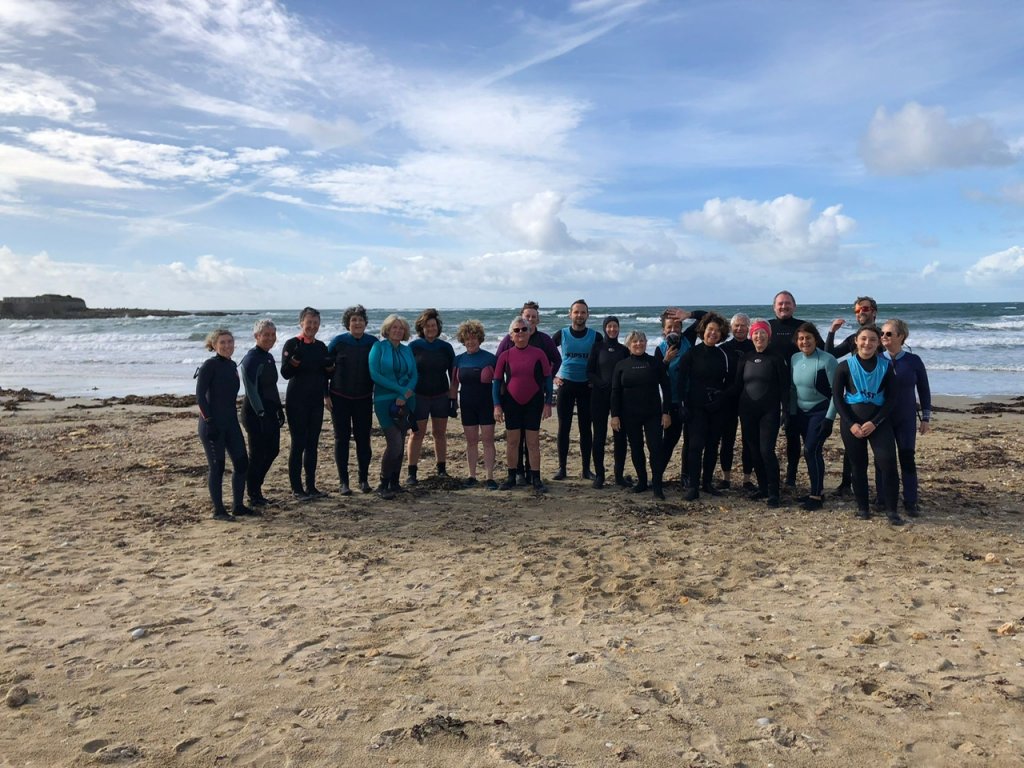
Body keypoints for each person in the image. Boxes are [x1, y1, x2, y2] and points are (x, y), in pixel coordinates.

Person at [832, 325, 903, 525]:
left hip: (878, 422)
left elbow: (892, 399)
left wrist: (875, 422)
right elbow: (837, 399)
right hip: (852, 424)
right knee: (858, 466)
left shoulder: (886, 367)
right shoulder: (844, 366)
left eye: (872, 339)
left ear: (878, 343)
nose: (867, 343)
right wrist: (851, 423)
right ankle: (862, 508)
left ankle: (892, 510)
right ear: (856, 341)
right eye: (863, 338)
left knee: (888, 463)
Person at [496, 301, 561, 485]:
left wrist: (547, 393)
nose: (522, 331)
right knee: (514, 440)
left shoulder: (542, 344)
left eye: (533, 317)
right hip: (512, 399)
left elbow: (554, 364)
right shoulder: (507, 346)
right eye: (526, 317)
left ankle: (534, 476)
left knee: (532, 441)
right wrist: (498, 401)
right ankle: (515, 474)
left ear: (537, 320)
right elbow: (497, 372)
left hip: (534, 398)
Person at [728, 319, 789, 507]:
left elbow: (785, 387)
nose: (759, 336)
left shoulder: (776, 358)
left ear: (768, 336)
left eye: (763, 332)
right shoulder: (745, 358)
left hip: (769, 411)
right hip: (747, 411)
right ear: (751, 336)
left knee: (766, 451)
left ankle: (774, 492)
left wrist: (786, 411)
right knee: (754, 451)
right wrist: (719, 399)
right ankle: (763, 488)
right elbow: (737, 386)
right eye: (755, 333)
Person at [196, 328, 252, 521]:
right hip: (212, 424)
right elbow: (200, 396)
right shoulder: (209, 366)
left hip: (230, 422)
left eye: (230, 342)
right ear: (214, 345)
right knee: (217, 467)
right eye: (222, 342)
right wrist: (209, 421)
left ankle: (238, 506)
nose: (227, 345)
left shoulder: (232, 365)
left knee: (242, 463)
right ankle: (218, 510)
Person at [825, 296, 879, 496]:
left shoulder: (882, 336)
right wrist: (832, 332)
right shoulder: (853, 339)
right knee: (852, 446)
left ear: (874, 312)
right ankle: (846, 483)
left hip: (877, 399)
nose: (860, 313)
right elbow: (829, 354)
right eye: (857, 310)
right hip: (854, 398)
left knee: (880, 450)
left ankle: (881, 491)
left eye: (864, 309)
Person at [676, 312, 732, 501]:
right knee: (695, 446)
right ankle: (693, 486)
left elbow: (728, 382)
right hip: (695, 407)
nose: (713, 333)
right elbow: (681, 380)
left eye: (717, 331)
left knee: (712, 445)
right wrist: (682, 404)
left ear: (721, 334)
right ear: (703, 330)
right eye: (710, 329)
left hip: (716, 407)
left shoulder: (723, 355)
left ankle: (707, 483)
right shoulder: (692, 353)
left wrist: (721, 398)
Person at [610, 330, 672, 499]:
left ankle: (657, 486)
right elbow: (615, 392)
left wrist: (666, 412)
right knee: (636, 448)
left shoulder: (655, 363)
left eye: (641, 341)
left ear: (646, 343)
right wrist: (614, 415)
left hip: (653, 414)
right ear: (628, 345)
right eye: (635, 341)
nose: (639, 344)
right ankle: (642, 482)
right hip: (629, 415)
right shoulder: (621, 365)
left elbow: (666, 388)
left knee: (655, 448)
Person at [881, 318, 932, 516]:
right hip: (883, 418)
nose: (883, 337)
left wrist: (925, 418)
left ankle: (910, 500)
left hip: (906, 418)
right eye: (882, 333)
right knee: (883, 460)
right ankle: (883, 498)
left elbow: (924, 389)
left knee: (907, 457)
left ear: (901, 336)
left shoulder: (913, 361)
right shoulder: (877, 360)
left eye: (888, 334)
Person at [281, 307, 332, 500]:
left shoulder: (321, 346)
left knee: (312, 444)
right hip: (297, 400)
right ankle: (297, 489)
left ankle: (311, 487)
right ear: (301, 323)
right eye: (309, 322)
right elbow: (285, 374)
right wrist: (295, 359)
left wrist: (330, 368)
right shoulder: (292, 343)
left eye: (315, 323)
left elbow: (326, 374)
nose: (312, 326)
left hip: (315, 401)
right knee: (298, 443)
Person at [326, 305, 376, 496]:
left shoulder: (373, 342)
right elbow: (324, 369)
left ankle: (363, 480)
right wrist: (325, 394)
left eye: (360, 319)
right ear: (348, 323)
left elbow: (380, 368)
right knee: (342, 439)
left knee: (364, 439)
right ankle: (343, 482)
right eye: (353, 320)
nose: (357, 323)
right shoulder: (338, 342)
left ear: (365, 323)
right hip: (340, 397)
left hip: (364, 398)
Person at [654, 307, 706, 487]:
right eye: (669, 327)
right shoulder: (660, 350)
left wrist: (689, 315)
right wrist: (665, 361)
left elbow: (707, 317)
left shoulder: (688, 338)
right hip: (672, 401)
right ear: (663, 330)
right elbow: (657, 378)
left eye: (677, 326)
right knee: (669, 441)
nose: (673, 330)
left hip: (690, 399)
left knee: (690, 442)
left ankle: (686, 476)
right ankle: (657, 477)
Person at [789, 322, 838, 511]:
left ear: (815, 339)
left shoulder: (828, 360)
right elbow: (793, 389)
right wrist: (791, 413)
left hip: (820, 411)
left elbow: (836, 393)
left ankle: (816, 497)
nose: (804, 342)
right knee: (811, 452)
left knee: (811, 450)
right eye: (801, 339)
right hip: (801, 412)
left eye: (808, 338)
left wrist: (829, 418)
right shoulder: (794, 358)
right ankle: (816, 490)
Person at [369, 314, 418, 499]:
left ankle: (394, 483)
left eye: (401, 328)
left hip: (406, 400)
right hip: (384, 400)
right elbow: (375, 374)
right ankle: (383, 484)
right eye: (394, 327)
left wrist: (405, 394)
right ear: (387, 330)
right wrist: (400, 390)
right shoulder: (378, 347)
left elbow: (414, 375)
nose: (397, 331)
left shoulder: (407, 350)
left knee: (402, 439)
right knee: (395, 443)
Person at [406, 308, 456, 485]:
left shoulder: (446, 347)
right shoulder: (414, 347)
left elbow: (453, 374)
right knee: (416, 434)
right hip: (419, 396)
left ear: (438, 327)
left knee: (439, 433)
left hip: (441, 396)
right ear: (422, 328)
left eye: (433, 325)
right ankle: (412, 473)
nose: (431, 328)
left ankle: (441, 469)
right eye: (427, 326)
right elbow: (407, 373)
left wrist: (453, 398)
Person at [551, 299, 599, 480]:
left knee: (586, 429)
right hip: (566, 385)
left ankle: (586, 470)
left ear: (588, 315)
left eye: (583, 312)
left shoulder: (595, 336)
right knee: (564, 428)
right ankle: (562, 469)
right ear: (570, 314)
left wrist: (596, 380)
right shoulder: (561, 334)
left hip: (586, 386)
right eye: (576, 312)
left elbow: (603, 360)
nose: (579, 315)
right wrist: (553, 376)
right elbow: (546, 355)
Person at [240, 319, 282, 509]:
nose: (270, 338)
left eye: (273, 334)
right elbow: (251, 390)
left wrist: (279, 408)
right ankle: (253, 493)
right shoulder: (251, 359)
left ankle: (256, 488)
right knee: (257, 455)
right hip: (254, 413)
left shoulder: (269, 357)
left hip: (269, 411)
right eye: (266, 334)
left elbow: (271, 386)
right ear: (256, 336)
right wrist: (261, 413)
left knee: (273, 450)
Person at [451, 320, 498, 490]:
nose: (470, 341)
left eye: (474, 338)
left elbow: (499, 383)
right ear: (463, 341)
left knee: (488, 440)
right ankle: (472, 476)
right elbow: (454, 384)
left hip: (486, 404)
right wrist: (452, 403)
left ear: (480, 339)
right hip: (467, 404)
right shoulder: (458, 360)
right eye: (467, 339)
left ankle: (489, 477)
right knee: (471, 441)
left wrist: (499, 405)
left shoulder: (490, 358)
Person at [767, 291, 807, 488]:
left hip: (795, 388)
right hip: (769, 388)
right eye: (780, 303)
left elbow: (822, 351)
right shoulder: (767, 327)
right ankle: (766, 476)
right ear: (774, 307)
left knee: (793, 433)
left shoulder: (803, 327)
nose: (784, 306)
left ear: (794, 306)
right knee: (767, 435)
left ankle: (791, 476)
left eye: (787, 303)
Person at [586, 316, 630, 489]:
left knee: (620, 437)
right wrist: (602, 384)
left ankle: (619, 476)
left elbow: (627, 371)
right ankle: (600, 475)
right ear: (605, 328)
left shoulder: (623, 350)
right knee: (599, 436)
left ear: (619, 328)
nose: (612, 329)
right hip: (599, 396)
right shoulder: (597, 347)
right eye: (609, 326)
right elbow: (589, 372)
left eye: (615, 326)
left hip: (619, 397)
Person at [719, 313, 755, 491]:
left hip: (750, 398)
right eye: (736, 325)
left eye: (743, 325)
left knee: (749, 440)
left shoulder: (754, 346)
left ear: (749, 327)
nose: (740, 328)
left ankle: (747, 479)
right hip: (729, 399)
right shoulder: (723, 348)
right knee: (727, 439)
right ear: (731, 327)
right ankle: (725, 478)